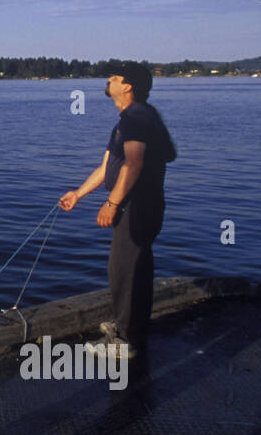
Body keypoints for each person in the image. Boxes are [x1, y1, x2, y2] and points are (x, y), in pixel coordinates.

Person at [58, 61, 176, 360]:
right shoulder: (134, 118)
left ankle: (126, 341)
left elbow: (133, 163)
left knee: (127, 270)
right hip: (138, 203)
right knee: (125, 267)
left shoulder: (135, 118)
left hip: (136, 205)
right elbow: (108, 165)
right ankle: (129, 327)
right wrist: (78, 193)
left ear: (128, 86)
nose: (108, 79)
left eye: (115, 76)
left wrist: (112, 203)